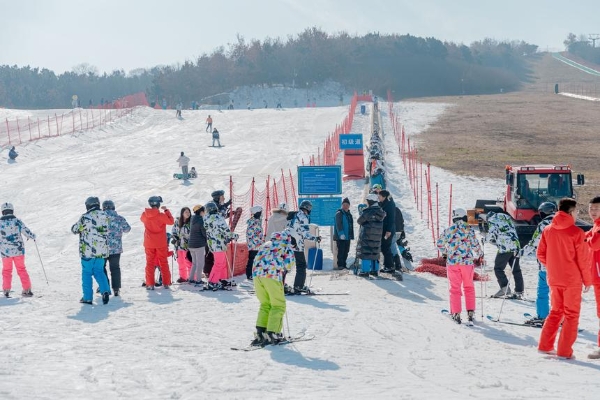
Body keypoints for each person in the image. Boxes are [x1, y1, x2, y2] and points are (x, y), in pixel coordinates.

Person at [537, 198, 591, 359]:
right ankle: (564, 351)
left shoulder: (547, 230)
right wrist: (587, 280)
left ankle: (545, 345)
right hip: (571, 280)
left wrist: (554, 266)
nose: (577, 214)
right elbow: (583, 260)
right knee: (571, 315)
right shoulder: (577, 232)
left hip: (554, 278)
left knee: (555, 312)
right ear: (571, 212)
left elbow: (540, 254)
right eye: (577, 212)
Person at [437, 208, 483, 324]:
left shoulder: (449, 230)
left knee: (455, 288)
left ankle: (456, 313)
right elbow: (475, 245)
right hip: (467, 263)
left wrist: (445, 252)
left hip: (453, 263)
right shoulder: (469, 229)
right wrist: (480, 253)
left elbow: (440, 243)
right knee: (469, 287)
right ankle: (470, 312)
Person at [250, 230, 295, 346]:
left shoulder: (266, 244)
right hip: (271, 276)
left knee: (265, 304)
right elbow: (289, 265)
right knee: (278, 304)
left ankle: (261, 332)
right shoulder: (285, 245)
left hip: (257, 276)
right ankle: (272, 333)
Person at [520, 202, 557, 326]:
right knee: (558, 292)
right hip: (563, 265)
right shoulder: (564, 224)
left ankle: (542, 316)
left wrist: (521, 253)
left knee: (543, 290)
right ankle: (559, 317)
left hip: (547, 264)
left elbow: (535, 242)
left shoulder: (544, 224)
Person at [71, 197, 111, 305]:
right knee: (99, 271)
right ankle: (105, 290)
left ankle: (87, 298)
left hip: (87, 251)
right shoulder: (106, 216)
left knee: (87, 273)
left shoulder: (85, 217)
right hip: (101, 251)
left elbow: (75, 229)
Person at [485, 211, 524, 298]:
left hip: (505, 247)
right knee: (516, 269)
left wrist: (485, 240)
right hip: (516, 246)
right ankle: (519, 291)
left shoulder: (493, 220)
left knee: (498, 268)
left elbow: (491, 232)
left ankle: (504, 288)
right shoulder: (506, 218)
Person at [0, 203, 36, 297]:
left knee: (7, 270)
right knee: (21, 269)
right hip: (18, 251)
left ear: (3, 212)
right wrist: (32, 236)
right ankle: (27, 289)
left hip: (5, 252)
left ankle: (6, 290)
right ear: (12, 211)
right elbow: (26, 231)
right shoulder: (17, 221)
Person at [285, 200, 319, 294]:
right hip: (298, 245)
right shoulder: (303, 217)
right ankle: (298, 286)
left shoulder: (293, 215)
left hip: (289, 243)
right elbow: (305, 233)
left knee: (286, 265)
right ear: (307, 208)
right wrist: (315, 238)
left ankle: (281, 284)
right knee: (301, 265)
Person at [140, 196, 174, 290]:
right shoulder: (161, 216)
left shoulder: (144, 215)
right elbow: (171, 222)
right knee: (163, 262)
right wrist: (166, 211)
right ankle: (166, 283)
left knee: (150, 263)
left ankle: (150, 284)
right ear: (158, 204)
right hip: (160, 243)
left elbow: (142, 219)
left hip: (149, 243)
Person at [203, 201, 238, 290]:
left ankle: (220, 279)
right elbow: (225, 230)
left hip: (212, 244)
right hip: (219, 244)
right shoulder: (218, 218)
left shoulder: (206, 219)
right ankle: (212, 281)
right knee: (219, 263)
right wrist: (234, 235)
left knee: (221, 263)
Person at [102, 200, 131, 296]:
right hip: (116, 248)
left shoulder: (100, 218)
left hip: (102, 248)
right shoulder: (119, 218)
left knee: (102, 268)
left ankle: (105, 287)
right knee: (115, 268)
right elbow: (127, 229)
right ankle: (116, 289)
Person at [585, 197, 600, 359]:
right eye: (591, 208)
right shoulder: (596, 225)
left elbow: (594, 244)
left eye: (596, 208)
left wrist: (586, 239)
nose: (592, 211)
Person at [356, 194, 385, 277]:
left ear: (370, 201)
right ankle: (375, 270)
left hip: (367, 235)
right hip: (377, 236)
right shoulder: (381, 212)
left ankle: (365, 271)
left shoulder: (368, 211)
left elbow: (359, 221)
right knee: (375, 252)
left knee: (366, 252)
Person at [172, 207, 192, 283]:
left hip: (188, 246)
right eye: (186, 212)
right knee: (181, 262)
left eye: (189, 212)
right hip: (179, 245)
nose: (188, 213)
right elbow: (173, 230)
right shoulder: (177, 221)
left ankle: (192, 277)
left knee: (189, 262)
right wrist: (174, 237)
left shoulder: (191, 222)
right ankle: (183, 277)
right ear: (182, 213)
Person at [378, 190, 396, 274]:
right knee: (384, 247)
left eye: (380, 196)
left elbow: (391, 219)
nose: (378, 198)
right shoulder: (383, 203)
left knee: (385, 247)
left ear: (384, 197)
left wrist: (388, 230)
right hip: (384, 229)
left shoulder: (390, 205)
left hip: (388, 230)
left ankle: (390, 266)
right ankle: (387, 266)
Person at [188, 204, 207, 285]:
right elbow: (204, 233)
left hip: (191, 245)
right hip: (199, 245)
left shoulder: (192, 219)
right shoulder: (201, 221)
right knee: (200, 263)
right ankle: (198, 280)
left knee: (194, 263)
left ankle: (191, 278)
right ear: (201, 212)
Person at [333, 197, 354, 270]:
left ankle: (344, 264)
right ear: (342, 205)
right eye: (344, 204)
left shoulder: (348, 214)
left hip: (347, 236)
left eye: (347, 205)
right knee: (341, 251)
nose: (345, 206)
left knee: (346, 251)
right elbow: (338, 224)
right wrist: (341, 233)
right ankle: (340, 265)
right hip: (341, 236)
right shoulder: (339, 213)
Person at [245, 205, 265, 280]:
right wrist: (259, 241)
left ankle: (254, 273)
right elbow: (251, 234)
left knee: (255, 259)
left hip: (256, 244)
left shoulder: (256, 221)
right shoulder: (253, 222)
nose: (261, 214)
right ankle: (249, 274)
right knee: (252, 259)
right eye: (260, 212)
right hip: (254, 245)